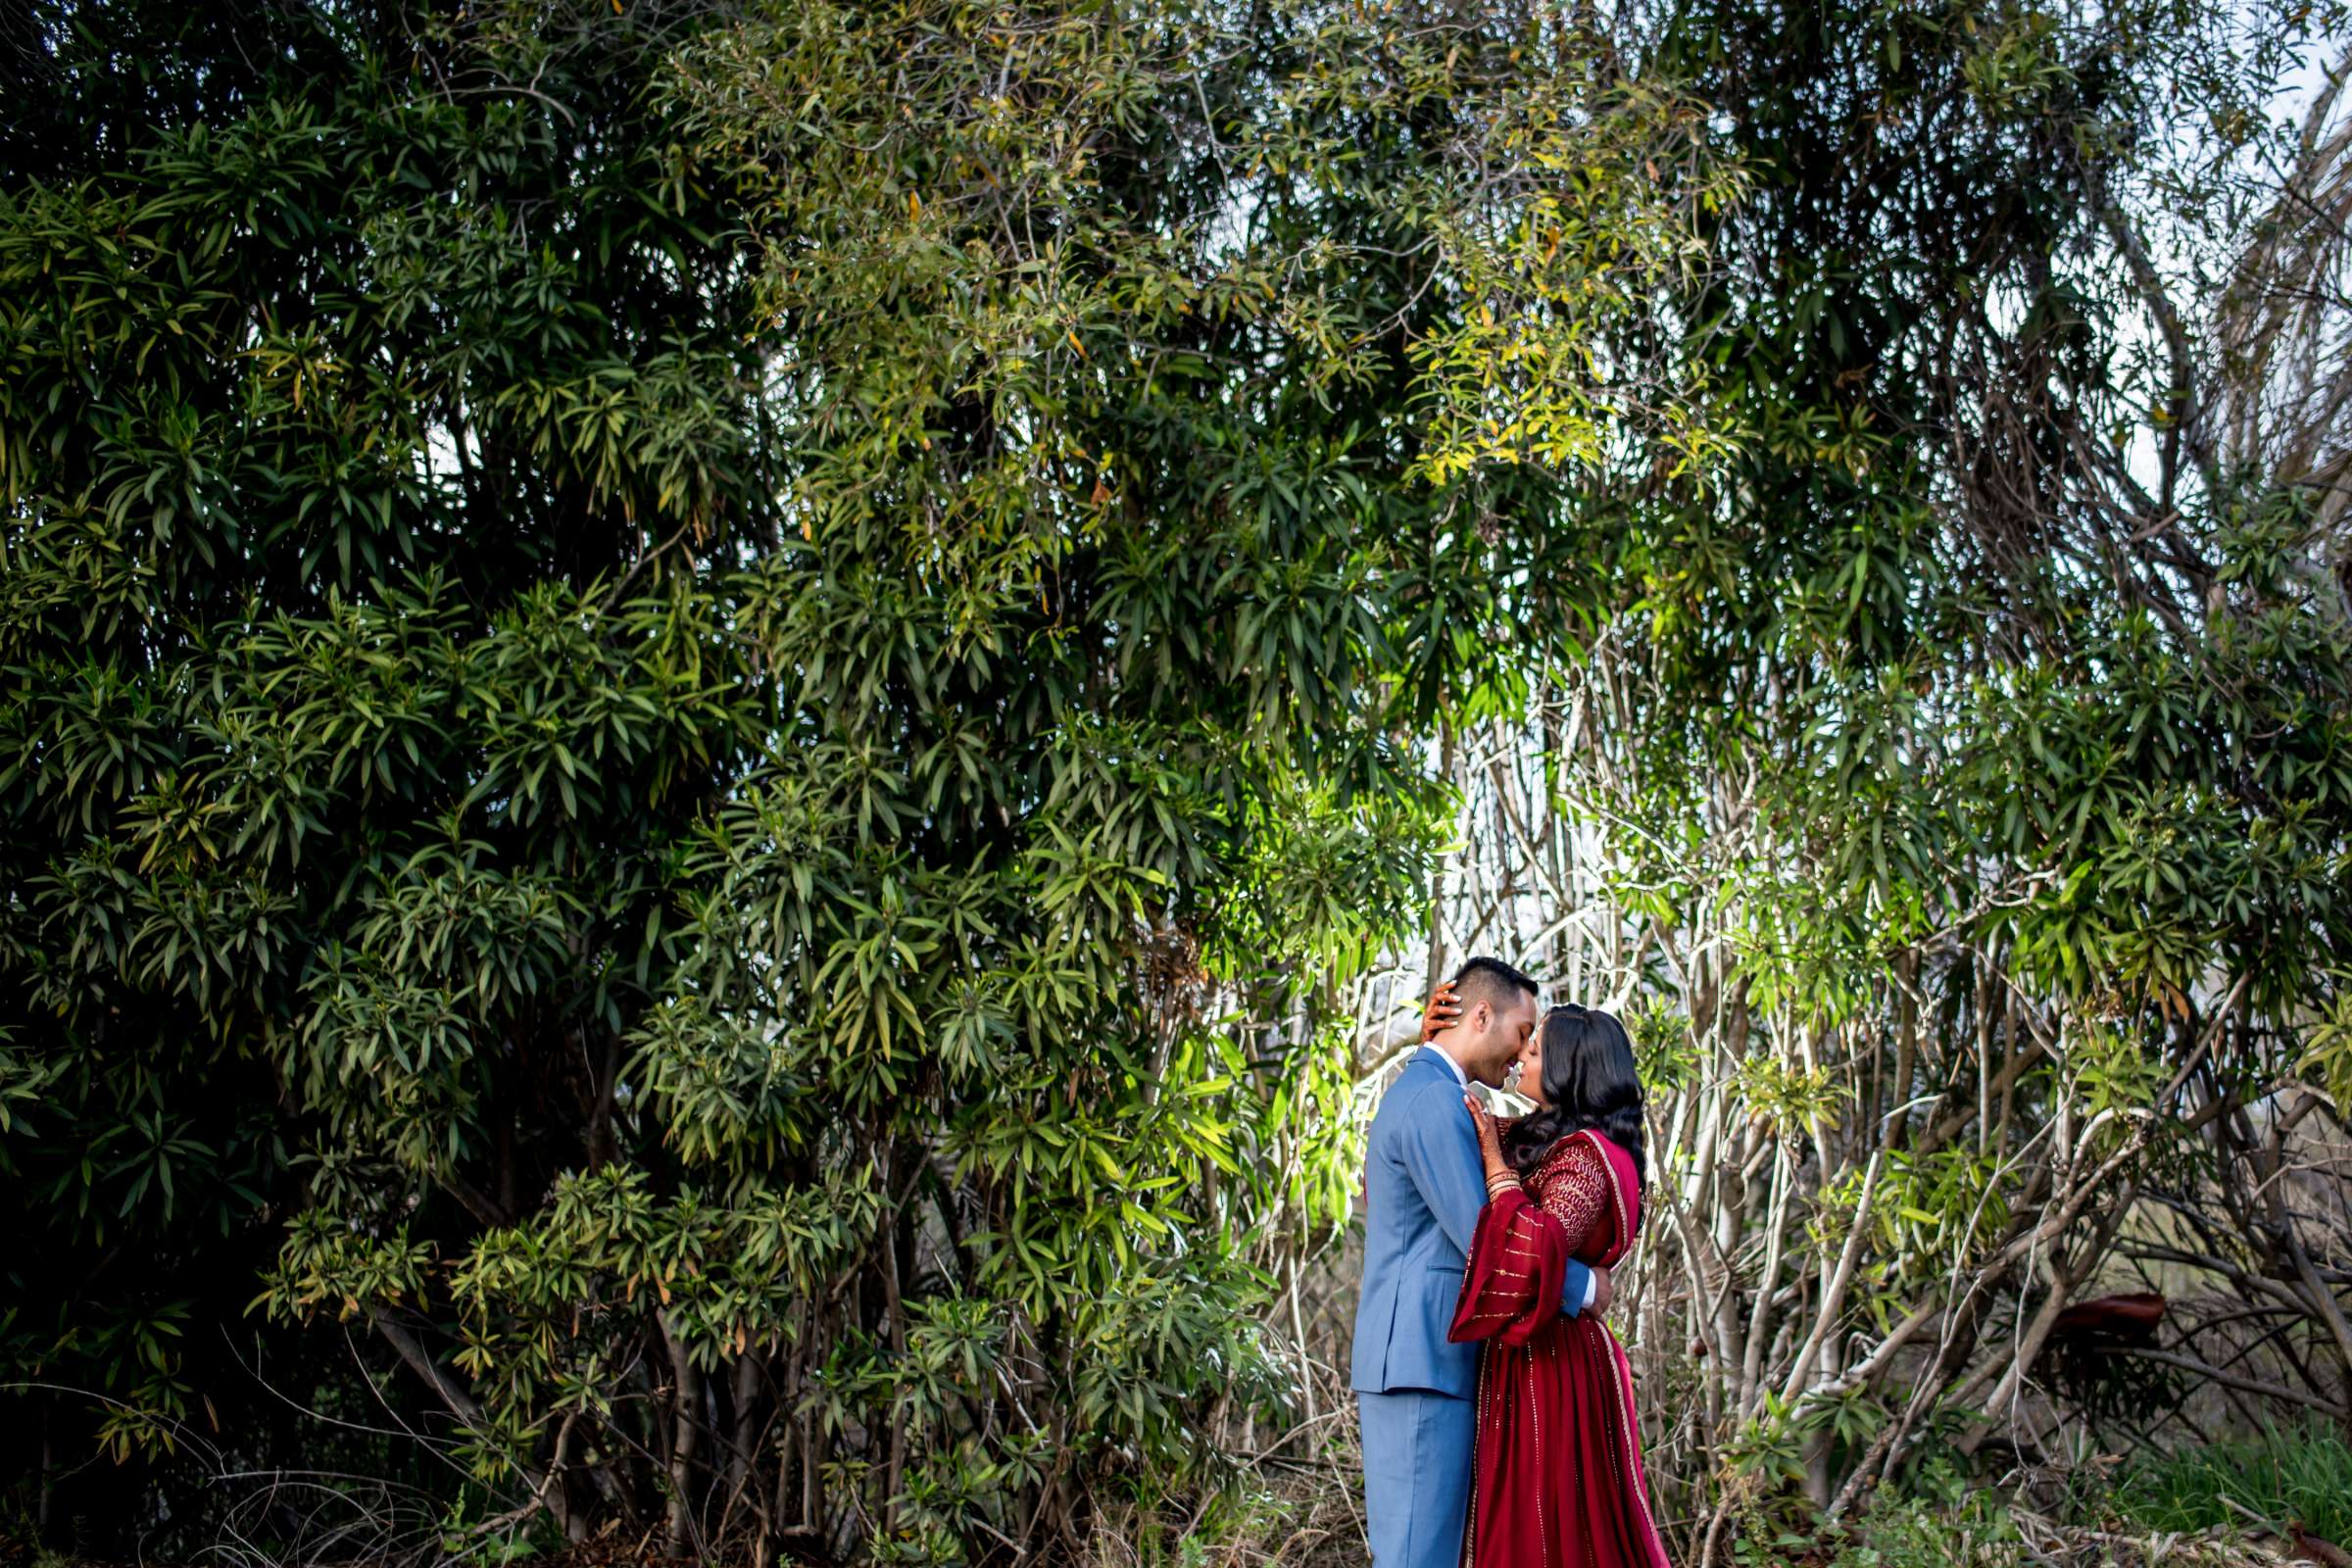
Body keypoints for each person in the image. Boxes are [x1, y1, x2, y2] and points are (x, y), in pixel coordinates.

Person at [1351, 959, 1612, 1568]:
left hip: (1427, 1361)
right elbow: (1486, 1239)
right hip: (1421, 1363)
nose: (1522, 1052)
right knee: (1418, 1557)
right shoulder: (1433, 1102)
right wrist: (1582, 1287)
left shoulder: (1439, 1097)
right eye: (1523, 1032)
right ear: (1481, 1015)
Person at [1448, 1003, 1673, 1568]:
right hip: (1538, 1352)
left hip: (1552, 1364)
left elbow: (1536, 1252)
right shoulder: (1549, 1138)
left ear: (1568, 1069)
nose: (1522, 1054)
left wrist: (1497, 1166)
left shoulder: (1587, 1161)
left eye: (1536, 1048)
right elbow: (1462, 1127)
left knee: (1549, 1523)